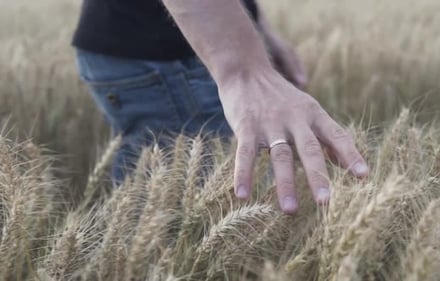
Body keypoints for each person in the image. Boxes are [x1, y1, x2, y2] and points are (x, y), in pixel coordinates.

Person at [73, 0, 369, 214]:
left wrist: (258, 31)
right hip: (172, 56)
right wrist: (245, 69)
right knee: (215, 222)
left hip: (172, 44)